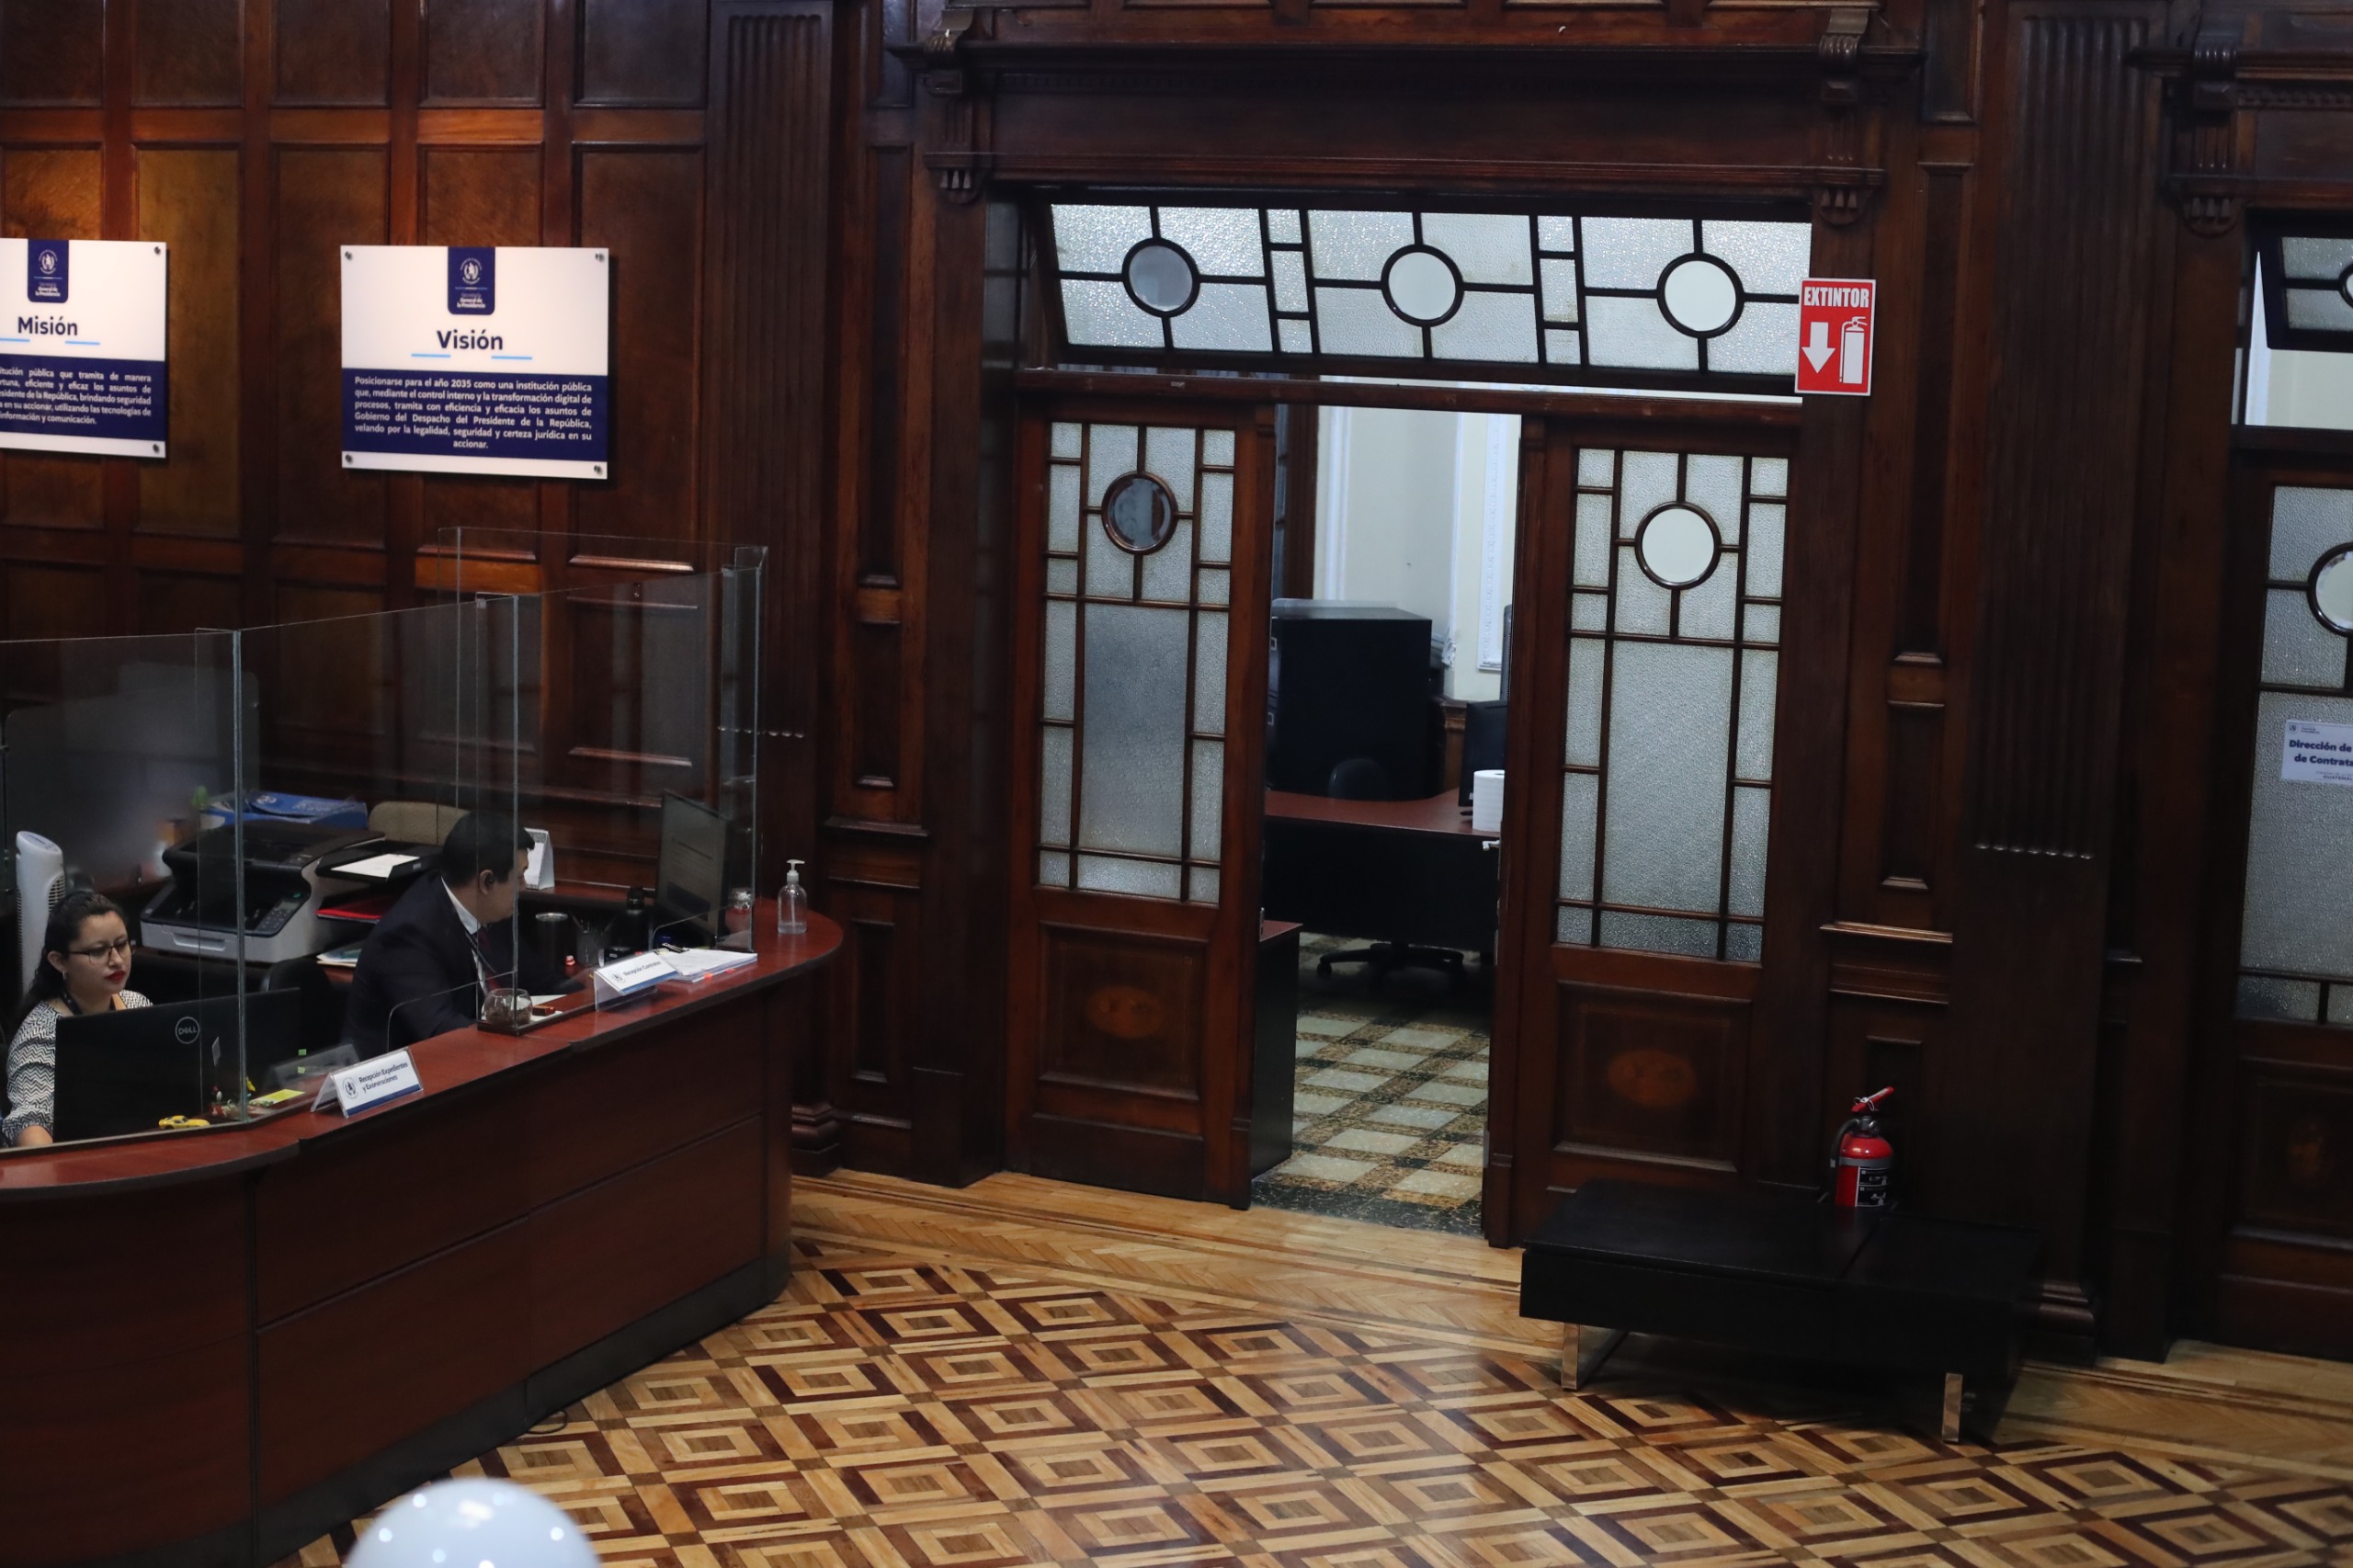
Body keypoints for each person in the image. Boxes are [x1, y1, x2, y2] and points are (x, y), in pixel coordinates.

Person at [344, 812, 567, 1057]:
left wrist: (587, 990)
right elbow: (442, 1031)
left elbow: (540, 980)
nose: (523, 887)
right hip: (412, 1071)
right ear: (486, 882)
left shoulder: (491, 909)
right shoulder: (408, 935)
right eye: (519, 877)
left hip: (482, 1055)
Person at [4, 891, 151, 1148]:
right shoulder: (40, 1035)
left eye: (121, 945)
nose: (117, 961)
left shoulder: (138, 1005)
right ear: (59, 961)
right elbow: (30, 1126)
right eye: (98, 951)